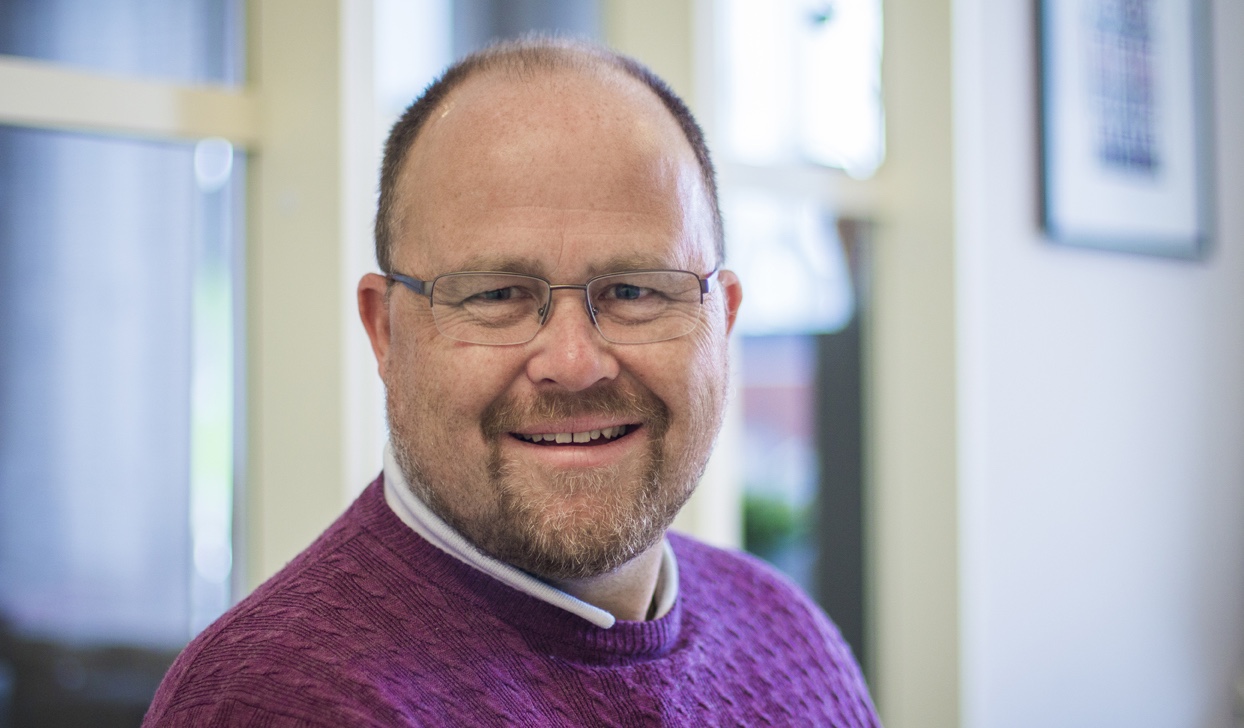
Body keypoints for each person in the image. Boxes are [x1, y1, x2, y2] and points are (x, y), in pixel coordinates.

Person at [144, 38, 879, 727]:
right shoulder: (281, 703)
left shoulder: (791, 637)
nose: (573, 361)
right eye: (496, 296)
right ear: (386, 331)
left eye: (633, 290)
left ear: (722, 323)